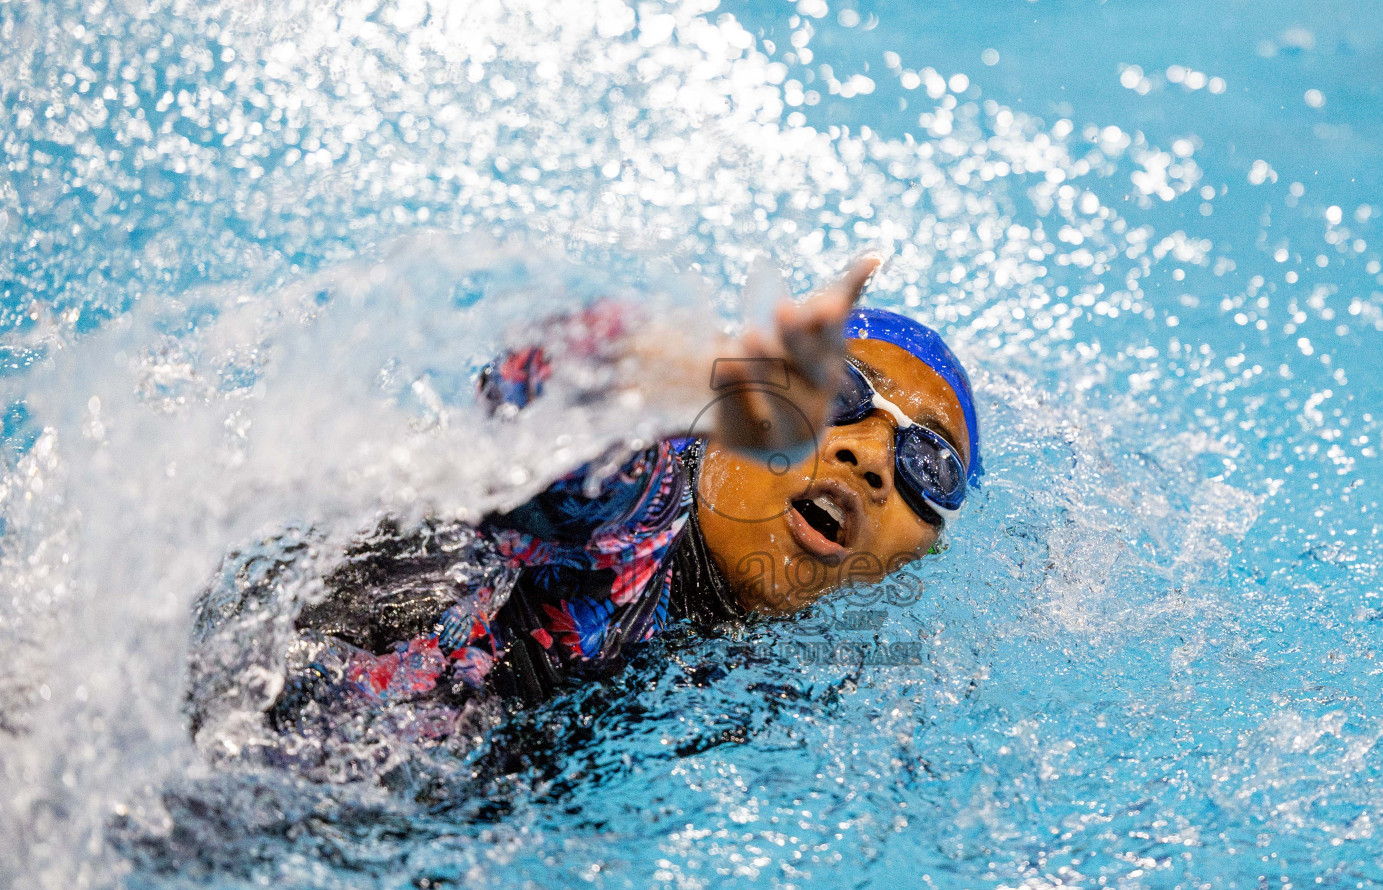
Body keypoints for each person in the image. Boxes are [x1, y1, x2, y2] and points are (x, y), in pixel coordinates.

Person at [215, 257, 982, 759]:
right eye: (841, 394)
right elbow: (546, 393)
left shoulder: (775, 677)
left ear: (924, 552)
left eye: (930, 463)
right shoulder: (638, 523)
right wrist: (685, 375)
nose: (872, 457)